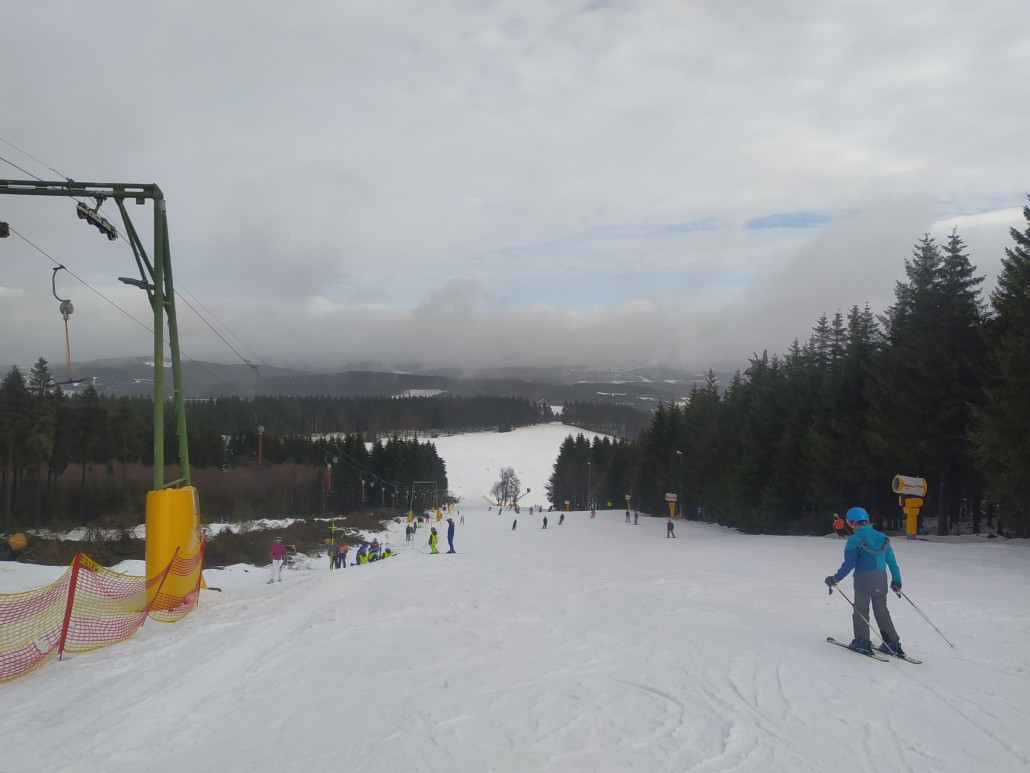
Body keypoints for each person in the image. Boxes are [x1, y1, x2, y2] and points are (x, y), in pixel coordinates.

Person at [824, 506, 905, 656]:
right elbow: (892, 562)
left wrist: (835, 578)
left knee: (861, 610)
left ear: (852, 522)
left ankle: (862, 642)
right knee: (881, 611)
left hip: (863, 580)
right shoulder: (882, 537)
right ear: (866, 519)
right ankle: (892, 643)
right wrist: (897, 580)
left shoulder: (854, 540)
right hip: (881, 579)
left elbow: (849, 564)